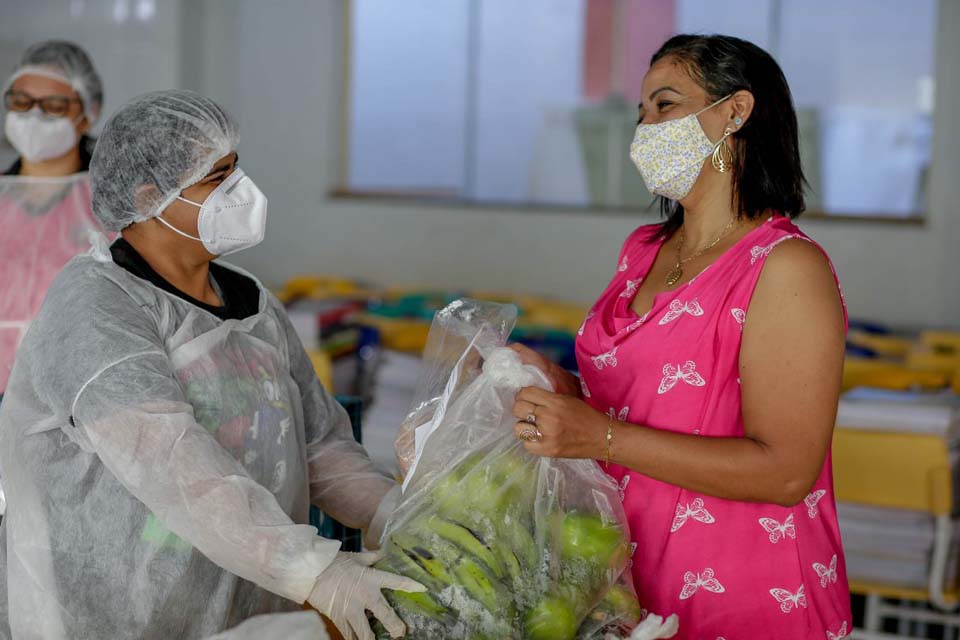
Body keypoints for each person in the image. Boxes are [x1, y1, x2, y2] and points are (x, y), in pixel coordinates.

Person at [0, 90, 422, 640]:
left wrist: (396, 513)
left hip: (244, 605)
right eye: (215, 177)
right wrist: (312, 569)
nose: (239, 191)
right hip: (111, 612)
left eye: (235, 169)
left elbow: (318, 447)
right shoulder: (95, 305)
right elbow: (169, 462)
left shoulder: (252, 303)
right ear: (150, 196)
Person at [508, 35, 851, 639]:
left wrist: (601, 436)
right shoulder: (643, 252)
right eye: (640, 113)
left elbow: (786, 471)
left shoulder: (784, 268)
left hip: (743, 593)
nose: (645, 128)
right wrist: (552, 386)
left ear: (735, 113)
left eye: (664, 106)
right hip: (628, 581)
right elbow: (643, 402)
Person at [0, 41, 106, 396]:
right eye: (20, 102)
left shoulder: (112, 203)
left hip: (78, 390)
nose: (33, 116)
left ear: (89, 110)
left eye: (54, 105)